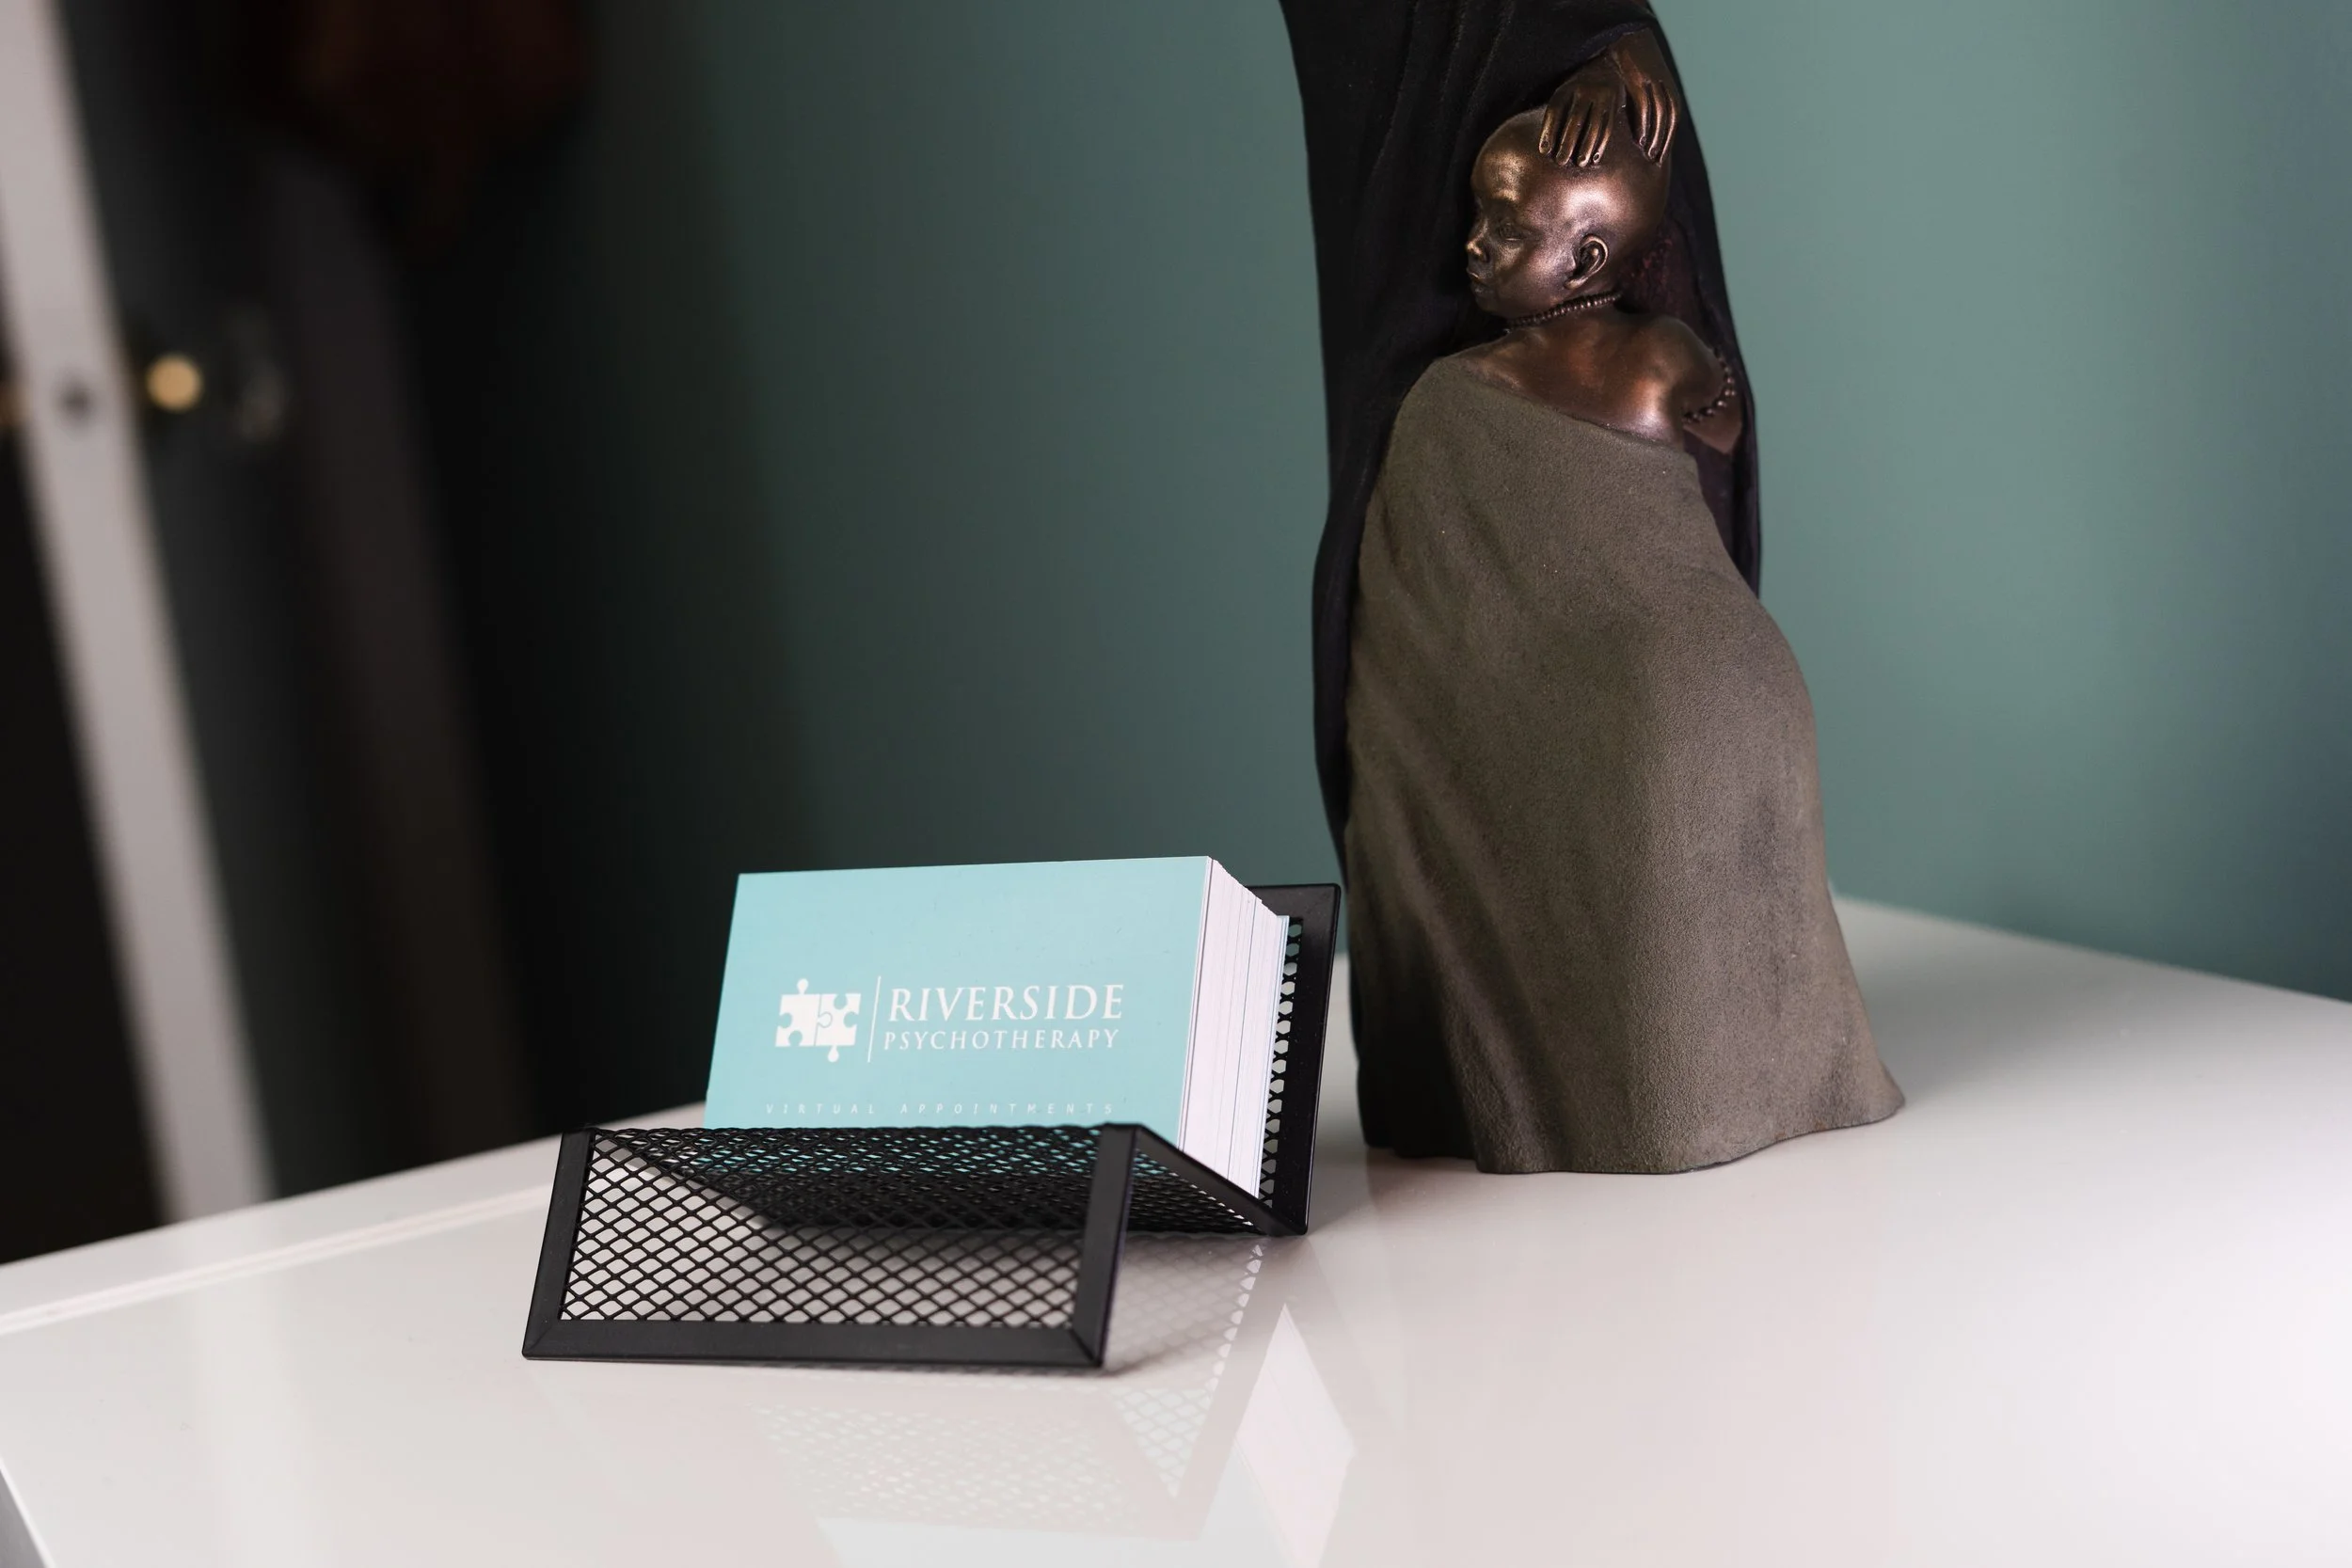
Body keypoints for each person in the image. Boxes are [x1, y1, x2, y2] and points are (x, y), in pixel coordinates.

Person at [1341, 92, 1902, 1173]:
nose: (1470, 243)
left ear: (1587, 253)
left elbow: (1434, 632)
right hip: (1750, 681)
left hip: (1639, 705)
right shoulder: (1664, 360)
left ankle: (1663, 1118)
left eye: (1505, 229)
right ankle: (1796, 1088)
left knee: (1651, 997)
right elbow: (1722, 418)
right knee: (1752, 938)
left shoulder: (1451, 396)